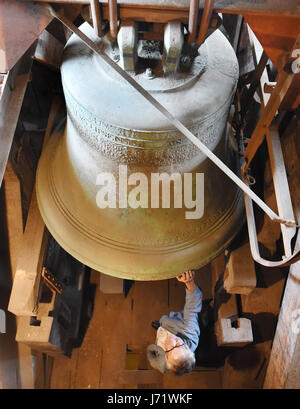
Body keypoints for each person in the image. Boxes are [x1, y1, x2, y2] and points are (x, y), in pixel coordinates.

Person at [147, 270, 203, 375]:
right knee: (165, 322)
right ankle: (161, 324)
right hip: (177, 322)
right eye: (178, 344)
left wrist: (152, 350)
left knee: (162, 325)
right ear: (186, 346)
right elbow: (193, 306)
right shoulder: (189, 330)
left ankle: (161, 326)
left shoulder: (163, 362)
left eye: (169, 348)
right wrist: (189, 282)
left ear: (166, 356)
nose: (172, 340)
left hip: (165, 326)